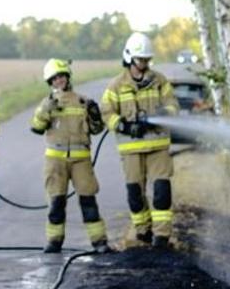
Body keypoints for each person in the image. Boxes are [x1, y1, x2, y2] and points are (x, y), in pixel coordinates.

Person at [102, 32, 180, 248]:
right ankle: (143, 231)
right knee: (135, 193)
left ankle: (162, 235)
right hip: (131, 149)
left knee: (162, 191)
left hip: (158, 146)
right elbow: (106, 113)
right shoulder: (116, 85)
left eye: (146, 60)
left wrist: (160, 116)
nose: (144, 64)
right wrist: (125, 125)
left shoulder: (160, 81)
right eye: (140, 60)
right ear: (129, 58)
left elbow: (173, 105)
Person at [30, 59, 109, 253]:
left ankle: (99, 242)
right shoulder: (47, 103)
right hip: (55, 162)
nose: (59, 81)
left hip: (81, 160)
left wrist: (95, 115)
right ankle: (54, 241)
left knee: (88, 200)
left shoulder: (83, 101)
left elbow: (96, 129)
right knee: (56, 202)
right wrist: (46, 110)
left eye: (62, 77)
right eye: (55, 78)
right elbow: (36, 127)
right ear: (50, 82)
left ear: (67, 77)